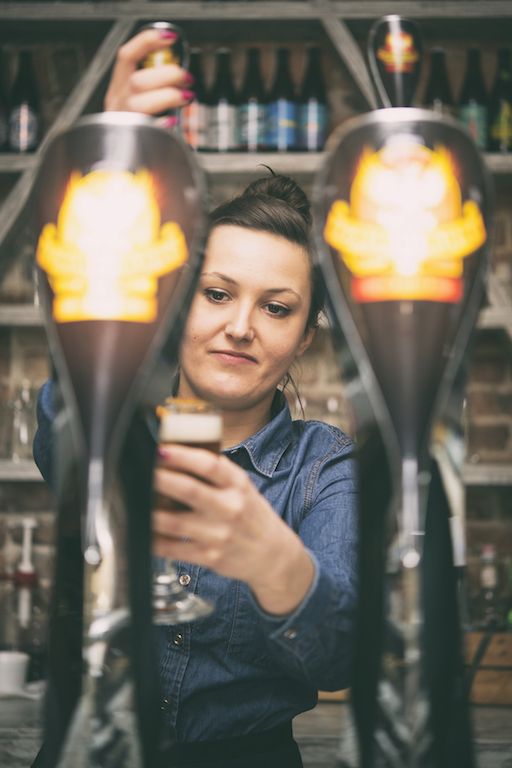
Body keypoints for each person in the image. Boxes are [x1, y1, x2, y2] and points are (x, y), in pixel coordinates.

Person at [33, 29, 358, 768]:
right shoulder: (113, 423)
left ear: (304, 338)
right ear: (178, 304)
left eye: (277, 308)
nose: (240, 326)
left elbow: (339, 658)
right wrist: (114, 162)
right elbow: (57, 425)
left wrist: (273, 560)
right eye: (216, 294)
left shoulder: (323, 466)